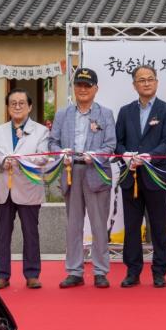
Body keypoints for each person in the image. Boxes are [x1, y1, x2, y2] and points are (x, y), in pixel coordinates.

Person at [47, 68, 116, 289]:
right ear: (74, 88)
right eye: (79, 85)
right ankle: (74, 271)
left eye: (88, 86)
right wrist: (62, 154)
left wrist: (95, 156)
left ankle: (100, 271)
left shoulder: (105, 114)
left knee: (98, 225)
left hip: (96, 172)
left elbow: (110, 146)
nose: (83, 89)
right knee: (74, 225)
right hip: (70, 172)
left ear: (96, 89)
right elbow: (52, 143)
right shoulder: (62, 114)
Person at [115, 65, 166, 288]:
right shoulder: (125, 111)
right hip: (130, 177)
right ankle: (133, 271)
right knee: (132, 226)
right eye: (141, 80)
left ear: (157, 82)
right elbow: (118, 141)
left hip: (157, 176)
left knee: (158, 225)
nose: (146, 83)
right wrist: (125, 155)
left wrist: (149, 156)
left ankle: (160, 271)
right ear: (134, 85)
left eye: (150, 79)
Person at [0, 89, 50, 289]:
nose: (17, 106)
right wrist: (0, 163)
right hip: (3, 189)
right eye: (13, 103)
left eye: (22, 103)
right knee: (2, 234)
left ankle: (32, 274)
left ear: (30, 106)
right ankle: (2, 274)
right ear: (8, 107)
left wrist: (20, 161)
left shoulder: (41, 131)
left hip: (29, 189)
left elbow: (43, 157)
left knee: (31, 233)